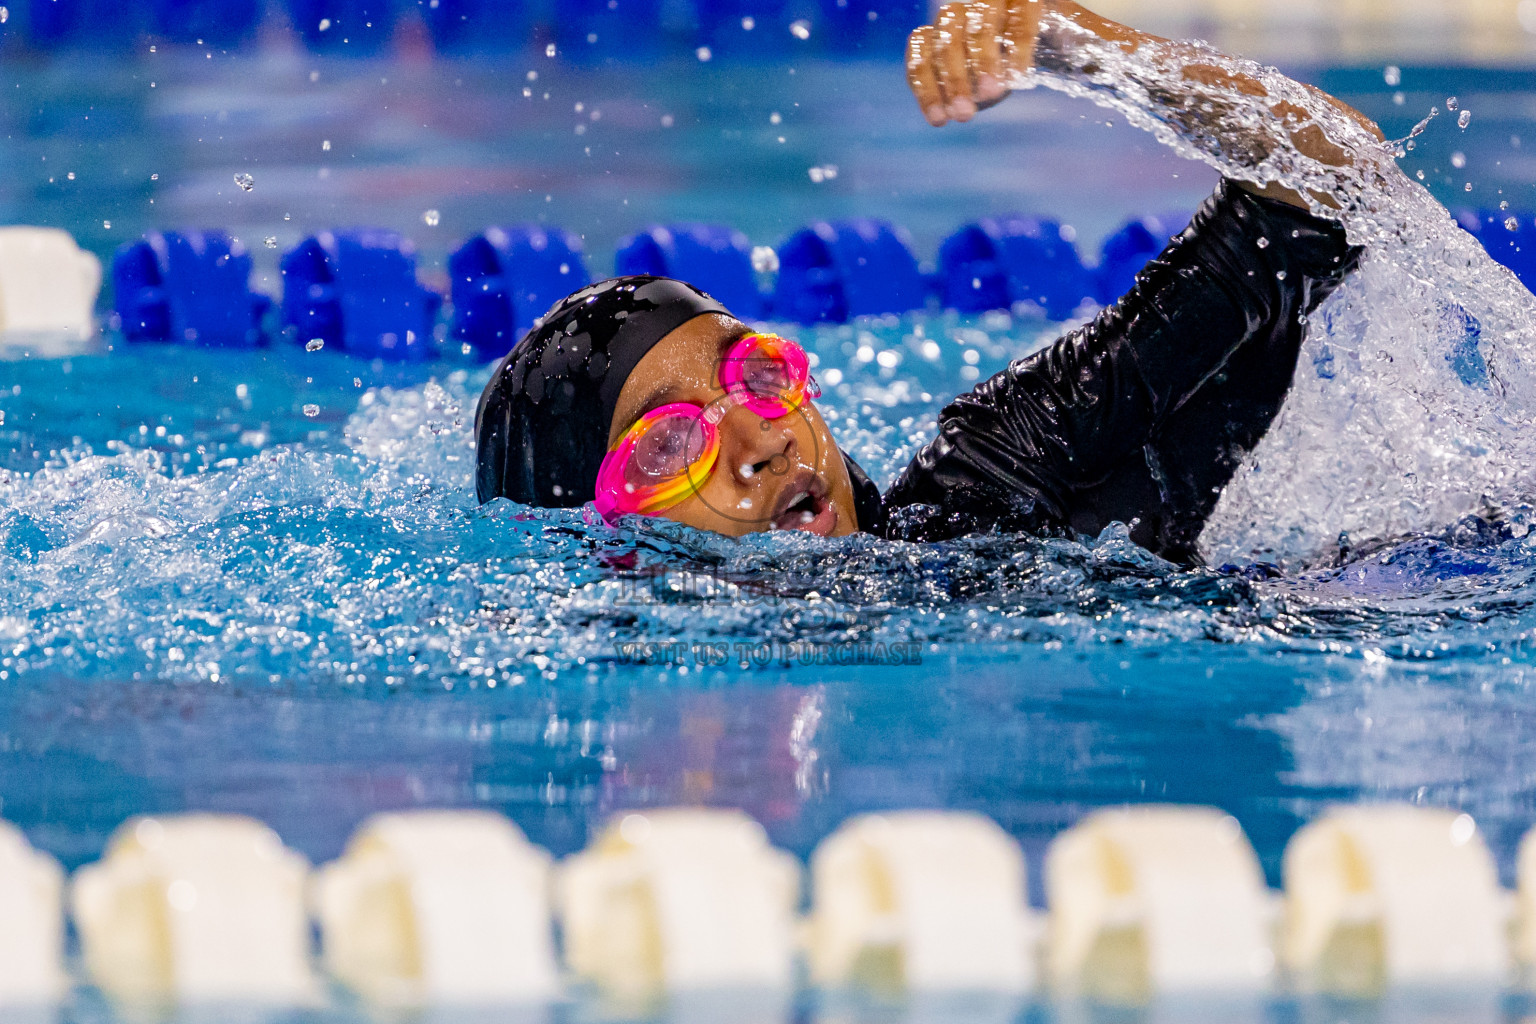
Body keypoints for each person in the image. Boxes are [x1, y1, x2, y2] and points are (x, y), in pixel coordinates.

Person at [475, 0, 1383, 565]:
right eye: (669, 444)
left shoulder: (999, 480)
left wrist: (1088, 50)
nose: (761, 442)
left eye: (756, 375)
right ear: (605, 540)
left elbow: (1339, 187)